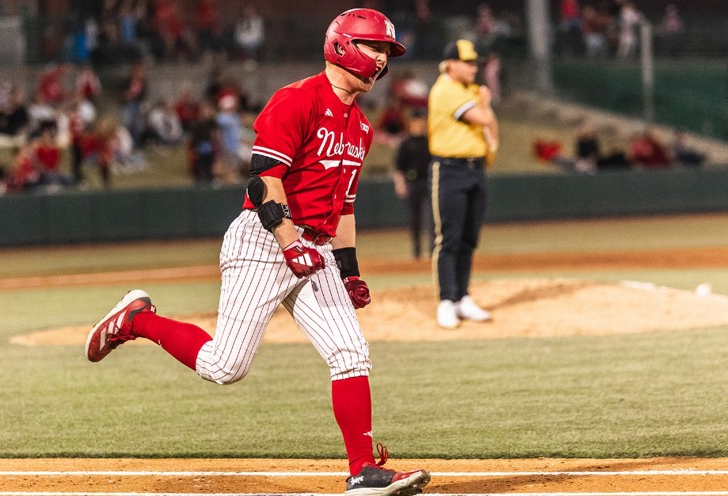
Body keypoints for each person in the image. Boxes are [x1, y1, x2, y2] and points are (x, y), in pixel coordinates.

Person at [84, 9, 430, 496]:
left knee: (351, 353)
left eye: (385, 53)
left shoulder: (362, 129)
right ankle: (137, 319)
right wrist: (289, 244)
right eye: (375, 48)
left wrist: (349, 270)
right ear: (343, 46)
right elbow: (264, 181)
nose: (380, 60)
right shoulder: (296, 101)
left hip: (316, 245)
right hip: (264, 240)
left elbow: (345, 207)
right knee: (226, 366)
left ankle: (362, 469)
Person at [427, 39, 498, 329]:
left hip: (475, 169)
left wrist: (485, 108)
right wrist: (485, 104)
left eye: (474, 63)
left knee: (469, 238)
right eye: (467, 63)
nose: (473, 68)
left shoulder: (469, 89)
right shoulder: (445, 89)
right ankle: (446, 300)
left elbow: (492, 129)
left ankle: (462, 297)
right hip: (450, 169)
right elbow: (483, 117)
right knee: (449, 238)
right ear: (450, 64)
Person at [393, 110, 433, 260]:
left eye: (421, 121)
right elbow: (399, 167)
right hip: (412, 182)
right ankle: (417, 251)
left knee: (431, 217)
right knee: (415, 218)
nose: (419, 124)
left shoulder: (430, 141)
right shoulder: (406, 143)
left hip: (428, 181)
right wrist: (400, 184)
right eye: (416, 121)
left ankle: (432, 249)